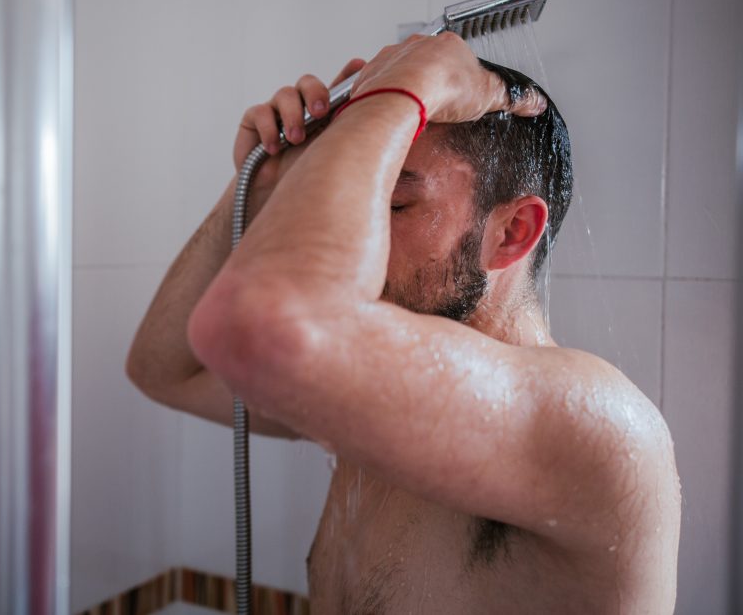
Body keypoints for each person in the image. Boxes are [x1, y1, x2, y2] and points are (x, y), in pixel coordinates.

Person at [125, 33, 681, 614]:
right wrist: (270, 186)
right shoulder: (380, 397)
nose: (358, 239)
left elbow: (272, 329)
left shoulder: (592, 427)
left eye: (393, 206)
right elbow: (165, 367)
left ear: (512, 231)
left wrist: (403, 89)